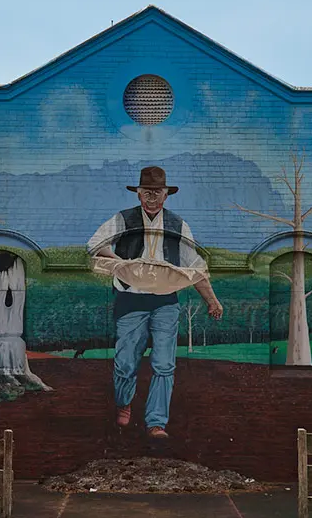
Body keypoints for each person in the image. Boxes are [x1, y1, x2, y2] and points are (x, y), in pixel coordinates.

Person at [88, 166, 223, 439]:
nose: (152, 197)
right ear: (138, 194)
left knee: (164, 364)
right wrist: (122, 264)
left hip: (165, 303)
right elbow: (95, 245)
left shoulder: (177, 225)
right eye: (147, 192)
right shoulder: (122, 220)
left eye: (157, 192)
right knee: (125, 362)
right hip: (130, 300)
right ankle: (123, 403)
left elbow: (194, 266)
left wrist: (212, 301)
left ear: (166, 194)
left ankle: (156, 422)